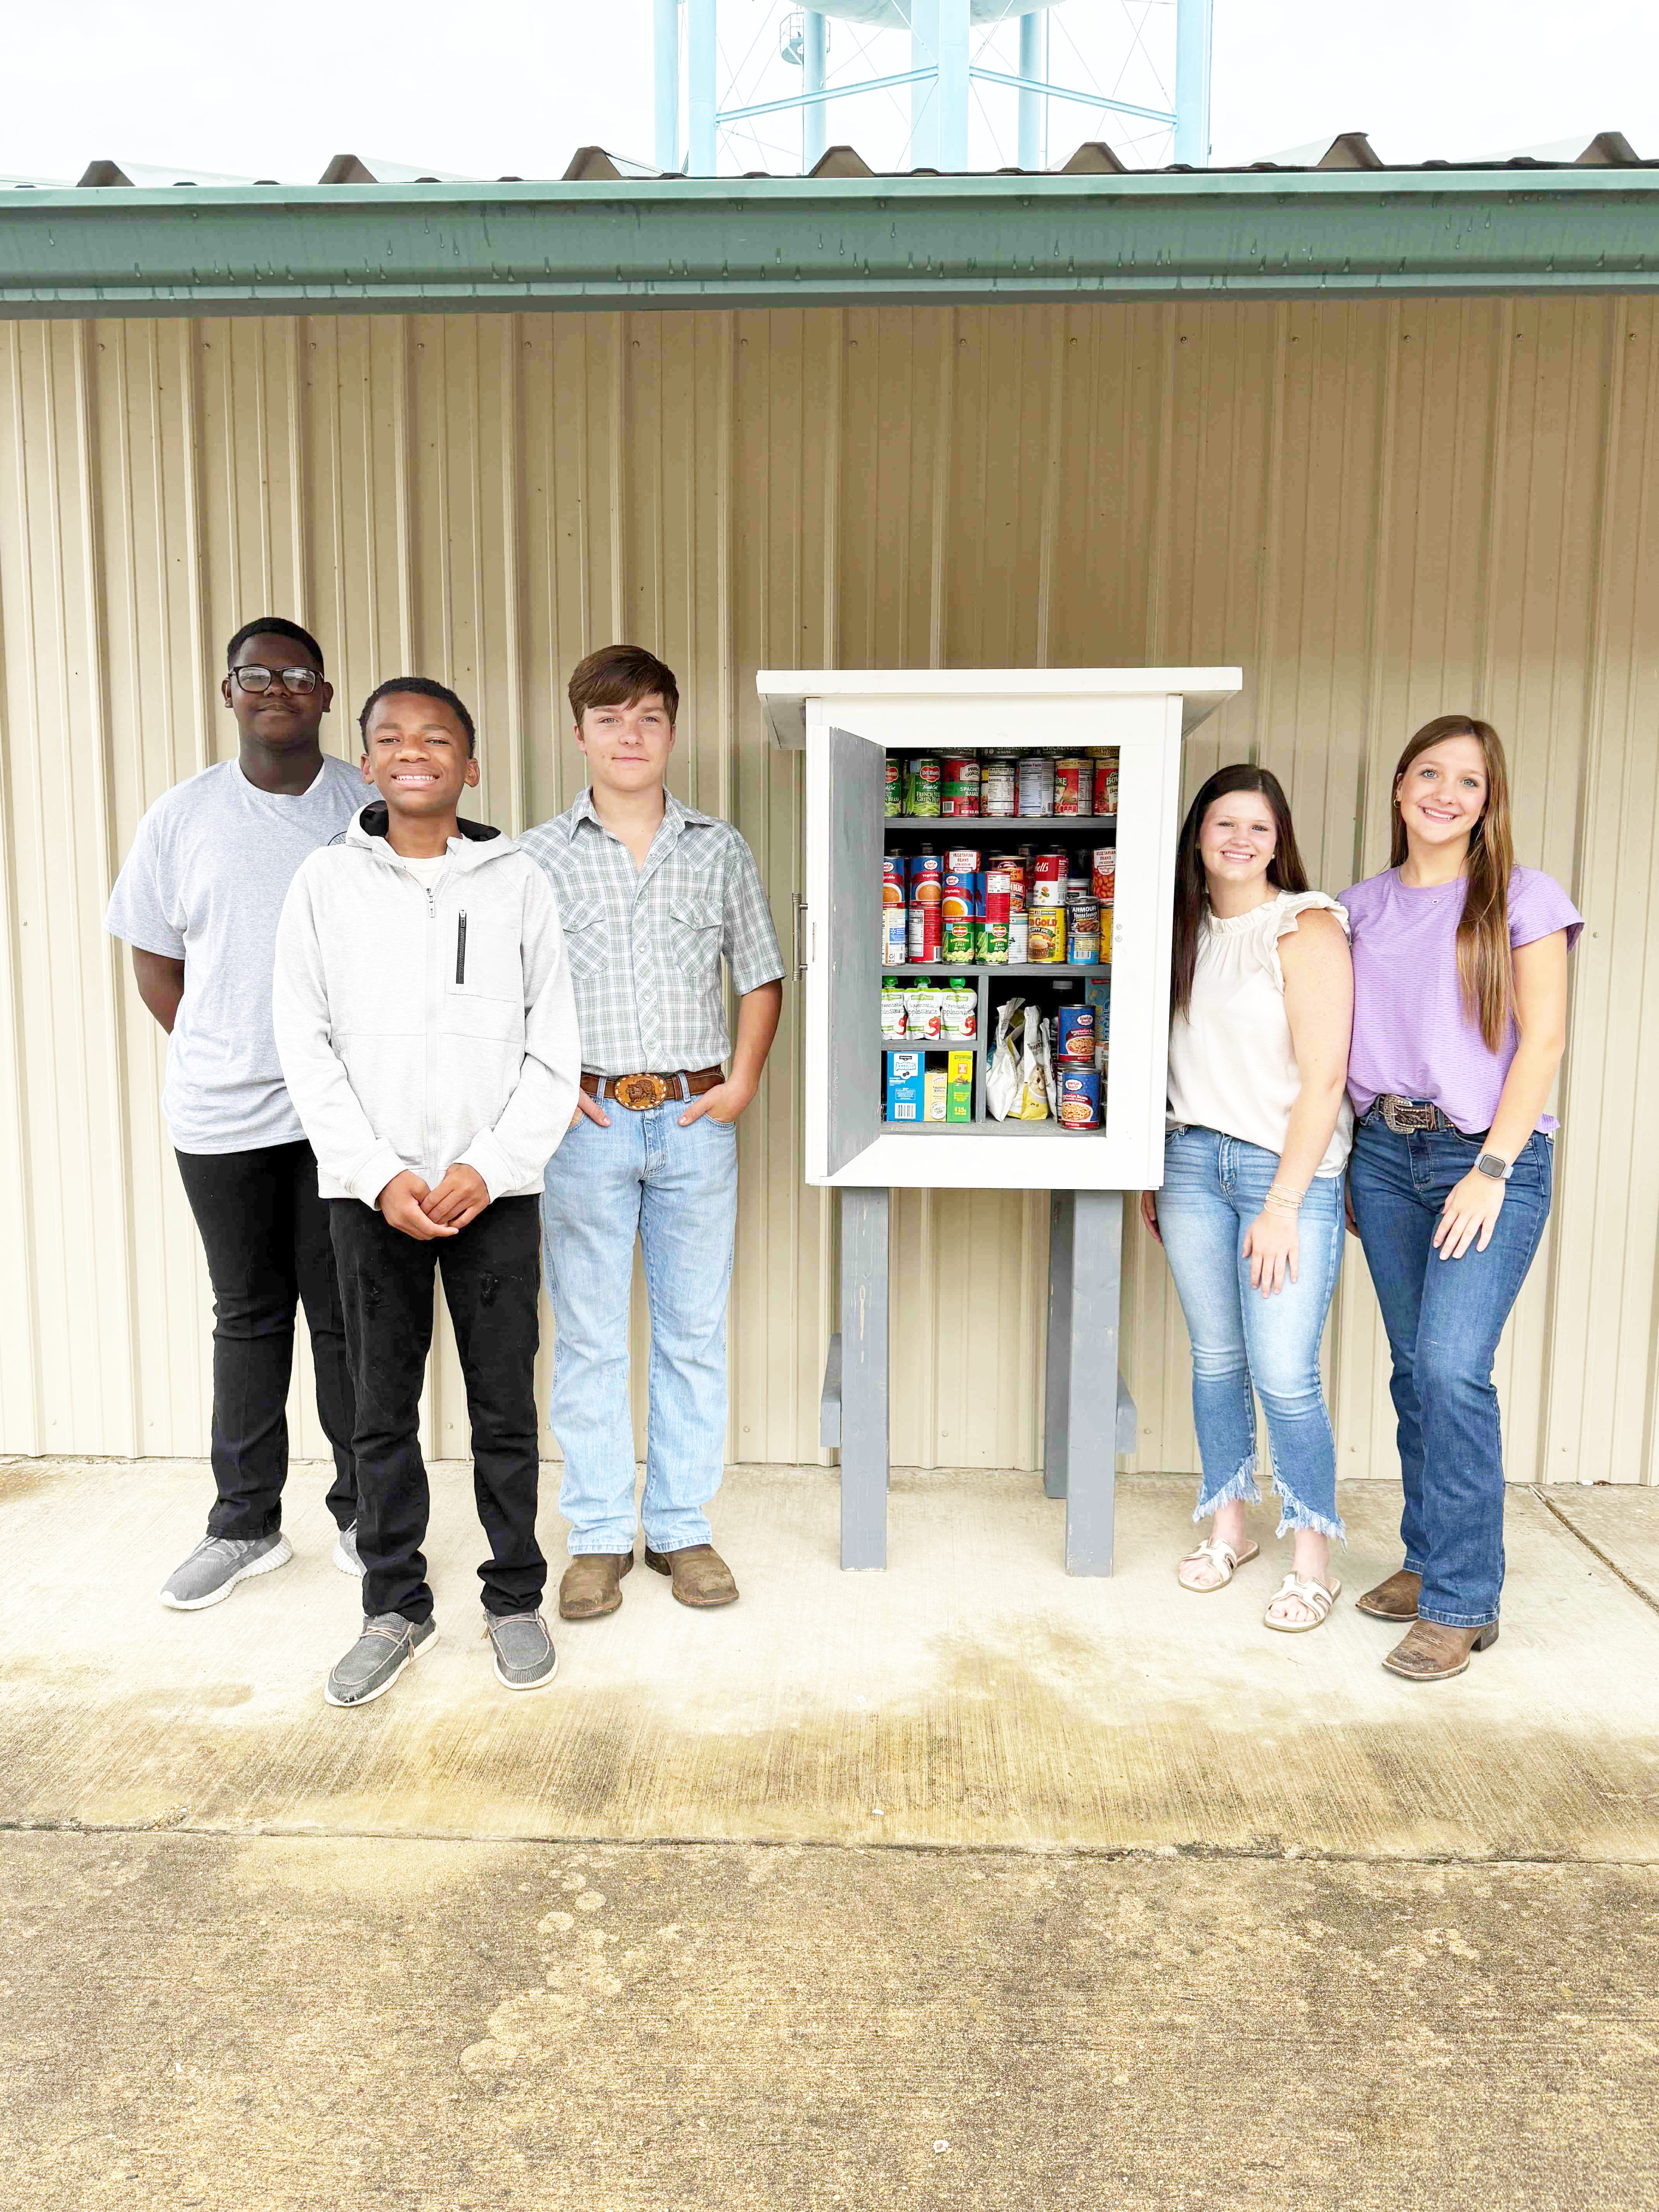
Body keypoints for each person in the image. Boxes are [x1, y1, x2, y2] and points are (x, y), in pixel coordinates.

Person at [272, 677, 580, 1707]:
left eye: (438, 738)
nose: (415, 752)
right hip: (372, 1196)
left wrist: (484, 1167)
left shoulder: (518, 883)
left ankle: (513, 1598)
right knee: (378, 1412)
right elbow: (303, 1044)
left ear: (470, 765)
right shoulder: (324, 884)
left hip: (495, 1193)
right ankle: (393, 1606)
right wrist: (378, 1172)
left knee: (502, 1405)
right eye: (393, 738)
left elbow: (555, 1050)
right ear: (368, 762)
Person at [520, 645, 785, 1622]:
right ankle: (596, 1536)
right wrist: (548, 1091)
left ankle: (679, 1524)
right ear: (578, 732)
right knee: (588, 1335)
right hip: (584, 1124)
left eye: (649, 718)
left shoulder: (719, 847)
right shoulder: (538, 857)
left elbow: (760, 975)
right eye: (609, 719)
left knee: (693, 1331)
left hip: (692, 1117)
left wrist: (742, 1082)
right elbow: (510, 994)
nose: (630, 737)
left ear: (673, 731)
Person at [105, 618, 362, 1611]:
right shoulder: (181, 818)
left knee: (343, 1317)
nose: (277, 688)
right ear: (229, 693)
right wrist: (230, 1049)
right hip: (220, 1117)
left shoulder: (365, 805)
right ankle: (247, 1524)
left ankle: (358, 1511)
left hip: (339, 1116)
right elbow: (156, 964)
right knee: (248, 1316)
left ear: (325, 696)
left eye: (298, 674)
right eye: (257, 674)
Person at [1342, 715, 1579, 1683]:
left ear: (1490, 802)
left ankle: (1463, 1601)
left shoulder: (1522, 898)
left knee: (1450, 1369)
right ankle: (1428, 1554)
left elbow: (1546, 1043)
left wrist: (1491, 1169)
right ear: (1400, 786)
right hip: (1383, 1157)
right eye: (1430, 773)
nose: (1446, 793)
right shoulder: (1359, 908)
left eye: (1469, 782)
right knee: (1410, 1369)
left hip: (1487, 1158)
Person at [1141, 766, 1355, 1632]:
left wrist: (1282, 1203)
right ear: (1197, 835)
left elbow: (1327, 1075)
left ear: (1279, 840)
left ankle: (1314, 1559)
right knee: (1216, 1362)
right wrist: (1145, 1174)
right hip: (1189, 1163)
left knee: (1284, 1374)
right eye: (1224, 824)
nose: (1240, 840)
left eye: (1258, 828)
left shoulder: (1304, 925)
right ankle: (1231, 1526)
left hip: (1283, 1174)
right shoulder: (1179, 930)